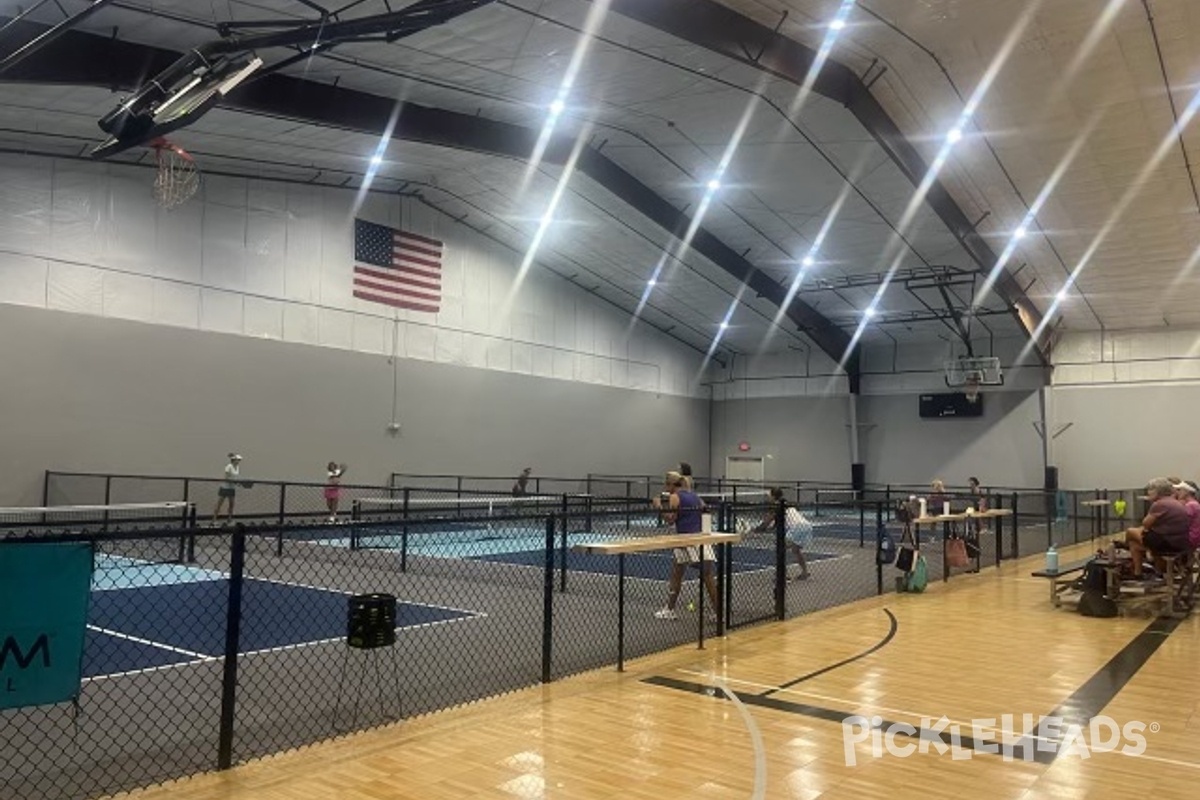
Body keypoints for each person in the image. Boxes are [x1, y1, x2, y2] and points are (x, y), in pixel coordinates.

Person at [655, 471, 720, 619]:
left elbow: (670, 519)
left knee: (705, 575)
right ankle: (669, 609)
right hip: (694, 538)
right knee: (678, 573)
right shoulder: (695, 496)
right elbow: (706, 510)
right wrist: (704, 531)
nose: (666, 487)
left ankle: (718, 612)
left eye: (666, 484)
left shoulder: (674, 497)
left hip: (687, 538)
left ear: (671, 484)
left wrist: (659, 506)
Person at [1124, 477, 1190, 580]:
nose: (1148, 492)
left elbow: (1146, 523)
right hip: (1180, 542)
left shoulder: (1160, 504)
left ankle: (1133, 563)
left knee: (1130, 532)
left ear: (1158, 491)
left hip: (1167, 543)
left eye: (1151, 490)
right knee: (1135, 545)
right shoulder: (1175, 502)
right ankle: (1140, 572)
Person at [754, 487, 811, 580]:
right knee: (795, 550)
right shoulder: (786, 504)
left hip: (797, 527)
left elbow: (767, 522)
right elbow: (774, 526)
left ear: (773, 496)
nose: (768, 497)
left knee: (780, 548)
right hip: (807, 526)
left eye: (769, 495)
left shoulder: (777, 506)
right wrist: (764, 529)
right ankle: (804, 572)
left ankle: (783, 576)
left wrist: (757, 529)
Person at [213, 453, 242, 524]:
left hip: (232, 488)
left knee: (231, 504)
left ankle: (229, 519)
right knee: (220, 503)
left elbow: (235, 477)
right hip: (225, 487)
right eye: (237, 460)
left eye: (239, 460)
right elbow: (226, 476)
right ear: (233, 460)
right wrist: (233, 481)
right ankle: (214, 519)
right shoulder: (229, 466)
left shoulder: (237, 467)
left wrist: (237, 482)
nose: (238, 461)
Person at [1173, 480, 1200, 551]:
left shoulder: (1190, 505)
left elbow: (1181, 524)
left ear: (1187, 492)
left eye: (1179, 490)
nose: (1177, 492)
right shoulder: (1194, 503)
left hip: (1190, 539)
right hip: (1195, 538)